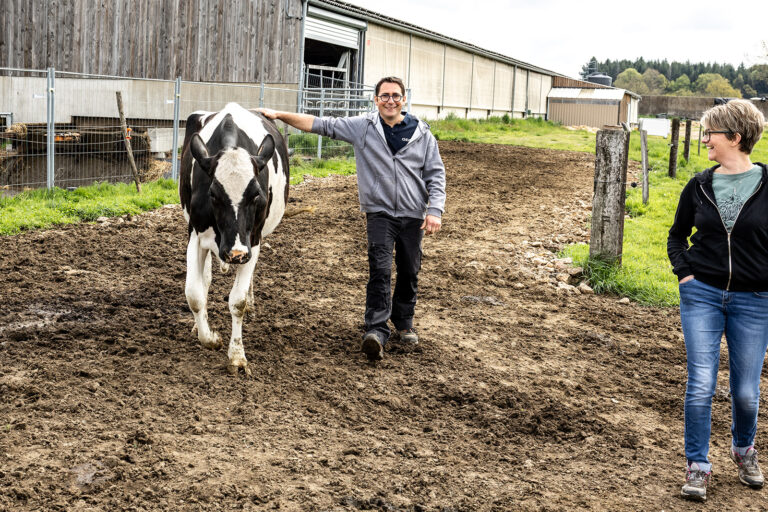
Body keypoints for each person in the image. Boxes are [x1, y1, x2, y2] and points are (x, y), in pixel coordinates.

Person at [258, 76, 446, 361]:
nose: (390, 101)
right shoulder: (364, 128)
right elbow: (322, 124)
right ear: (376, 100)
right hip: (380, 213)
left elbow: (435, 174)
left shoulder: (422, 133)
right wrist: (278, 115)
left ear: (404, 100)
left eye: (396, 96)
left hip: (412, 214)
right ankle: (376, 330)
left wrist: (435, 210)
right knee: (380, 270)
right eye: (384, 96)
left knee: (409, 270)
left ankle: (404, 322)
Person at [668, 99, 767, 501]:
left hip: (755, 300)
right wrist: (685, 274)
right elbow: (677, 235)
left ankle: (743, 450)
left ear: (735, 137)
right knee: (702, 383)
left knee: (745, 391)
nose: (704, 139)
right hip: (702, 294)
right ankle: (697, 466)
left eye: (710, 132)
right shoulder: (699, 184)